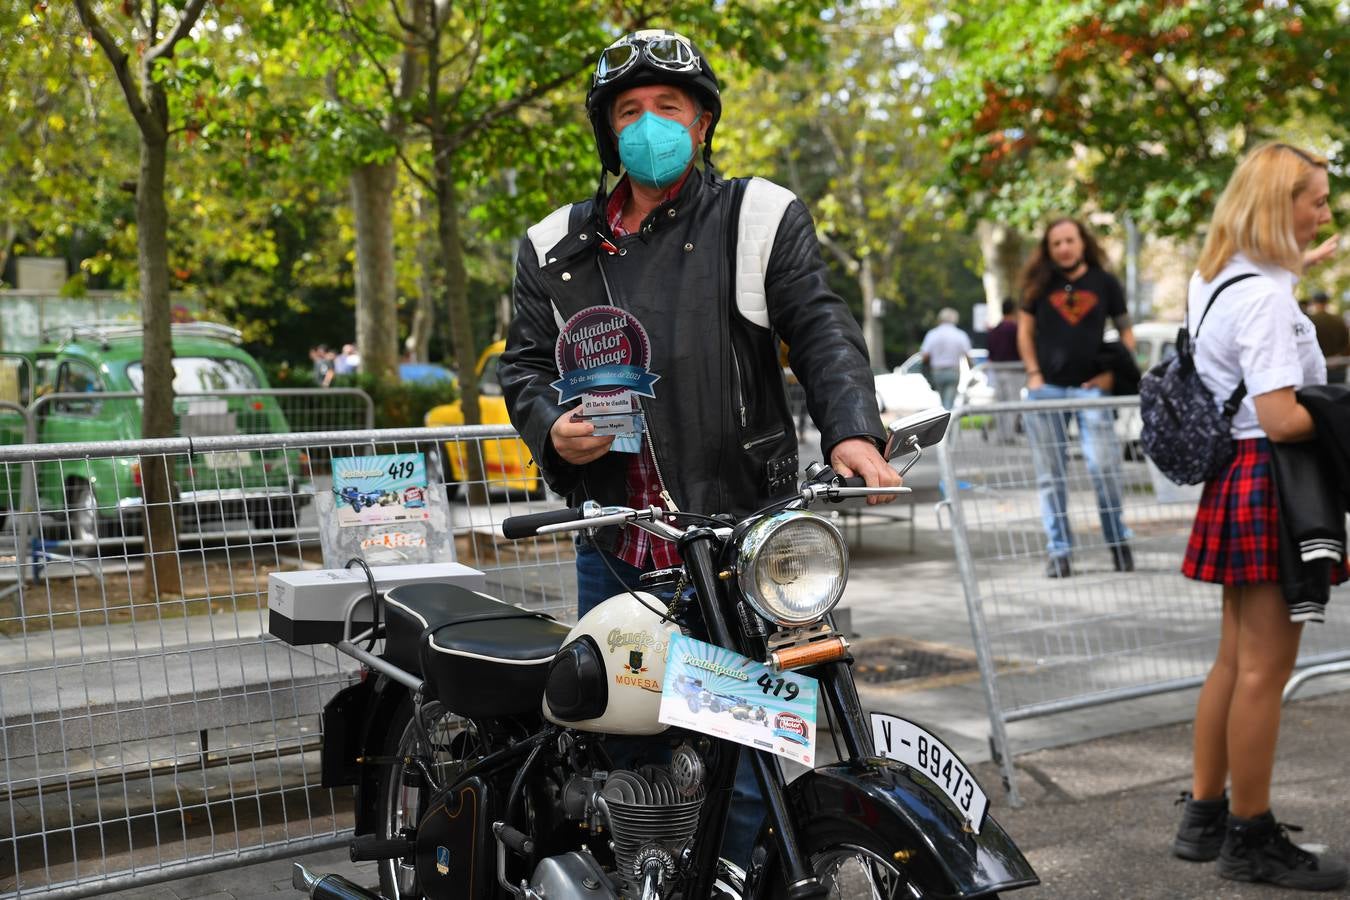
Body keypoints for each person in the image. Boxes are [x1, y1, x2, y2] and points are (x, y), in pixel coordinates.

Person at [499, 28, 899, 868]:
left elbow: (820, 326)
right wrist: (550, 428)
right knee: (630, 751)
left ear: (704, 122)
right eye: (629, 110)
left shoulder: (758, 216)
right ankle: (645, 878)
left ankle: (734, 878)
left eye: (668, 107)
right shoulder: (550, 246)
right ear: (608, 130)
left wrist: (853, 430)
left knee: (755, 748)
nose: (648, 123)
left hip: (741, 538)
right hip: (617, 537)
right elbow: (526, 365)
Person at [1169, 142, 1348, 892]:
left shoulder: (1216, 279)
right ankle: (1252, 837)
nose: (1325, 212)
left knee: (1235, 663)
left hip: (1238, 484)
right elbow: (1278, 417)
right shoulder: (1268, 300)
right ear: (1279, 205)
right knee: (1265, 673)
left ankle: (1205, 818)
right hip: (1271, 482)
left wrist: (1300, 265)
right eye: (1315, 199)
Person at [1017, 218, 1135, 578]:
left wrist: (1111, 375)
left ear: (1082, 243)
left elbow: (1127, 334)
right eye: (1056, 243)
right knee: (1050, 476)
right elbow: (1025, 332)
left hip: (1091, 391)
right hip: (1047, 391)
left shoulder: (1106, 283)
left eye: (1070, 240)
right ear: (1049, 249)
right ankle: (1060, 552)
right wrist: (1035, 375)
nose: (1064, 248)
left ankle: (1118, 545)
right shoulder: (1038, 284)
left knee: (1105, 470)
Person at [985, 298, 1022, 442]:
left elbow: (990, 352)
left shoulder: (995, 330)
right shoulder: (1016, 329)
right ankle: (1009, 435)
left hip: (997, 369)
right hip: (1014, 370)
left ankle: (1001, 434)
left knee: (1000, 403)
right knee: (1012, 403)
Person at [920, 307, 972, 410]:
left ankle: (945, 419)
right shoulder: (960, 334)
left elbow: (925, 356)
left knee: (943, 400)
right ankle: (949, 420)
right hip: (953, 371)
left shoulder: (932, 334)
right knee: (949, 401)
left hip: (937, 372)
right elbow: (967, 355)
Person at [1306, 289, 1349, 383]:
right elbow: (1346, 342)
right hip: (1338, 365)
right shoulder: (1338, 319)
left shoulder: (1310, 321)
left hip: (1318, 367)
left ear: (1314, 302)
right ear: (1326, 302)